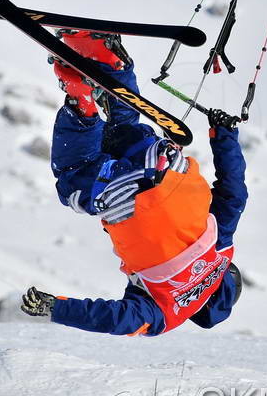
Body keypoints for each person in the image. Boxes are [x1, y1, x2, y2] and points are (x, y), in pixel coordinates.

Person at [19, 29, 247, 336]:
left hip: (167, 164)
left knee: (123, 132)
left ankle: (109, 59)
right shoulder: (167, 313)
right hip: (128, 198)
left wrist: (224, 135)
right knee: (74, 179)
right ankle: (80, 100)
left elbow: (235, 192)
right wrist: (57, 308)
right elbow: (118, 319)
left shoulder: (222, 251)